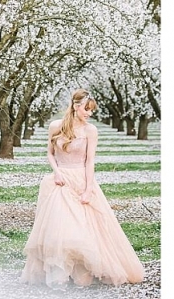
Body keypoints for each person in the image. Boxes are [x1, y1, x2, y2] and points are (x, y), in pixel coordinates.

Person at [20, 89, 144, 288]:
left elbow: (90, 161)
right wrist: (57, 172)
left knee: (85, 227)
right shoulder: (55, 126)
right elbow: (50, 153)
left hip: (81, 180)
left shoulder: (90, 130)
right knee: (60, 226)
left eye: (91, 110)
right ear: (75, 106)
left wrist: (88, 189)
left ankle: (83, 270)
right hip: (60, 181)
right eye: (86, 109)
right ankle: (60, 272)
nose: (89, 113)